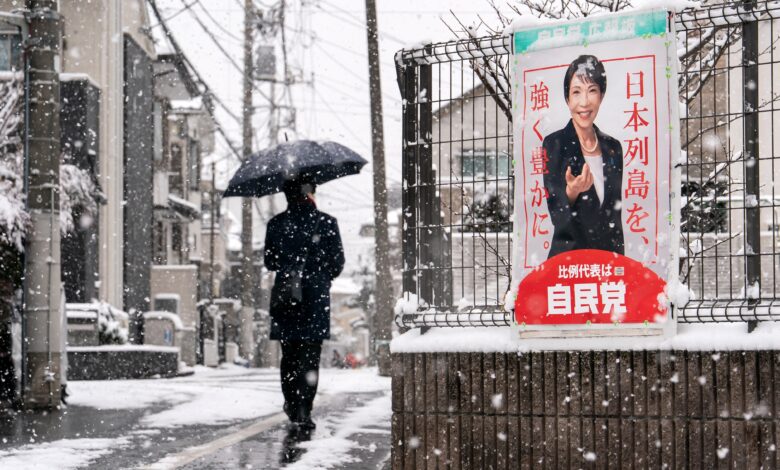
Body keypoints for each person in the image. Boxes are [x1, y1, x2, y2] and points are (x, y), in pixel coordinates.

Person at [264, 180, 345, 436]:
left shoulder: (276, 224)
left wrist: (290, 264)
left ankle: (291, 403)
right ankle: (304, 410)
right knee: (310, 357)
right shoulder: (327, 222)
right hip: (315, 299)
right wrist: (320, 275)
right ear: (311, 194)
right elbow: (338, 262)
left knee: (289, 356)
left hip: (286, 297)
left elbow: (269, 262)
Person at [542, 54, 625, 259]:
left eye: (592, 90)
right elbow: (557, 213)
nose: (584, 102)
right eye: (576, 92)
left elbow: (614, 216)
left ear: (601, 96)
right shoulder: (554, 144)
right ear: (567, 99)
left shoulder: (613, 148)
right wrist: (572, 192)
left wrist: (619, 262)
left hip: (607, 261)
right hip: (569, 260)